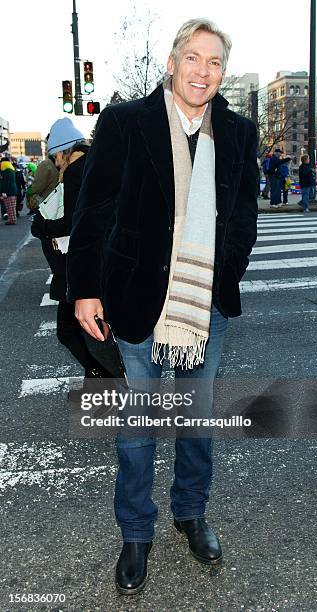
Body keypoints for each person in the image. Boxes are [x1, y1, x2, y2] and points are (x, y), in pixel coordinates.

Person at [67, 18, 258, 595]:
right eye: (194, 58)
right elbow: (95, 212)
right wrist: (84, 289)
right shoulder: (127, 123)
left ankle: (190, 513)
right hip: (136, 299)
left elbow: (244, 216)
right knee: (138, 429)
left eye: (215, 62)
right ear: (173, 62)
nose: (204, 71)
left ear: (223, 72)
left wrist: (227, 272)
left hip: (207, 304)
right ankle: (136, 534)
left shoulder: (239, 132)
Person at [31, 118, 105, 387]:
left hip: (80, 261)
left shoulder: (76, 171)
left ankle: (101, 373)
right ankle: (98, 377)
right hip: (100, 255)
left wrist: (42, 227)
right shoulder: (95, 161)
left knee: (68, 330)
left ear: (63, 150)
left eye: (55, 157)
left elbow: (76, 221)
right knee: (90, 327)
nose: (56, 163)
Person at [0, 158, 18, 225]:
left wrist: (3, 193)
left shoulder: (5, 171)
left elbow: (4, 183)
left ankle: (12, 220)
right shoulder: (11, 170)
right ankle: (13, 219)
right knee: (12, 207)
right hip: (13, 191)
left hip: (8, 192)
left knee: (9, 207)